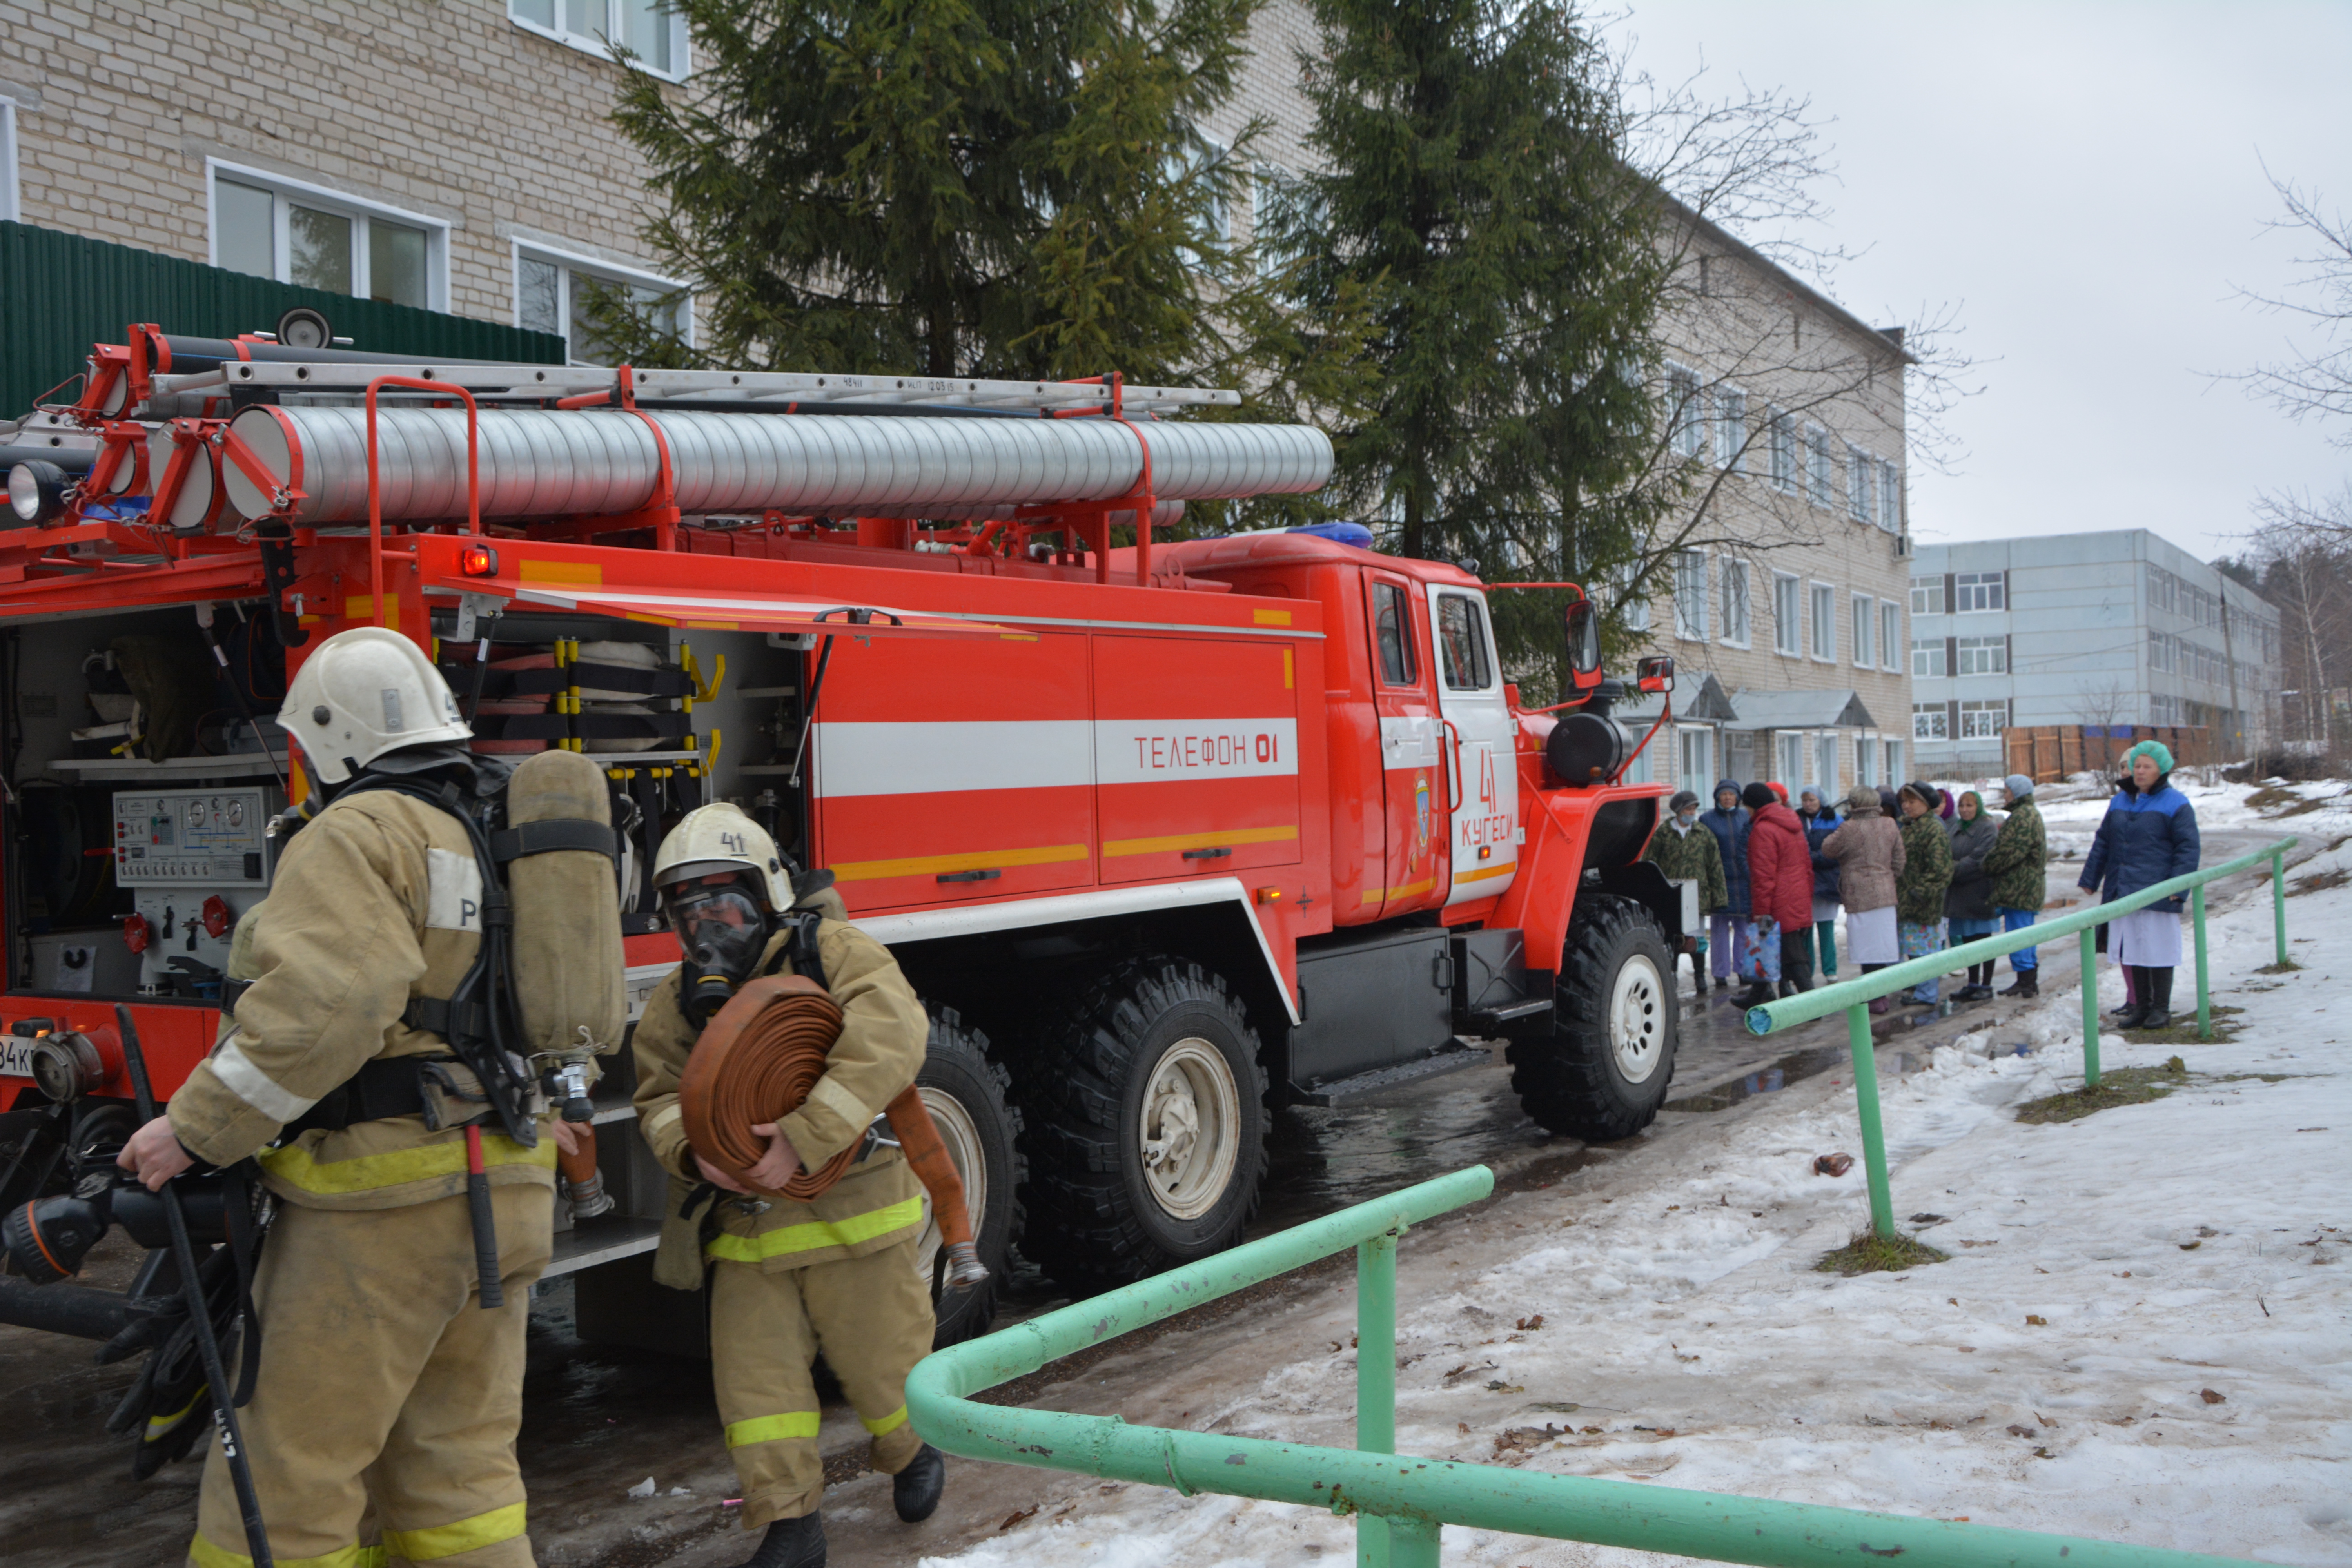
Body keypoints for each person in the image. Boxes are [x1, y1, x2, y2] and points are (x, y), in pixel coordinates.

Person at [116, 627, 593, 1568]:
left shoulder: (356, 833)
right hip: (502, 1189)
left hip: (380, 1210)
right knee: (461, 1476)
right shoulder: (487, 831)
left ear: (329, 739)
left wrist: (194, 1130)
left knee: (283, 1483)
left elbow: (333, 1002)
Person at [632, 803, 946, 1568]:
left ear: (768, 889)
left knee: (883, 1362)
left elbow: (894, 1032)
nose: (711, 921)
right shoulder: (679, 1001)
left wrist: (807, 1133)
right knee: (756, 1387)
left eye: (727, 898)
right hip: (744, 1224)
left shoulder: (829, 950)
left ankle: (913, 1452)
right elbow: (659, 1094)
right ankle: (789, 1519)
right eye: (691, 905)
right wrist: (691, 1151)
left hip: (854, 1211)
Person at [2080, 741, 2201, 1029]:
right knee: (2133, 949)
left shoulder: (2176, 803)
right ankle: (2141, 1007)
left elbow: (2188, 848)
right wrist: (2091, 878)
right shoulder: (2120, 801)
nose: (2140, 771)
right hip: (2124, 890)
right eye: (2137, 766)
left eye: (2147, 766)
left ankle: (2161, 1008)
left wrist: (2178, 886)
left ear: (2162, 770)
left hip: (2158, 891)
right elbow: (2104, 842)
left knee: (2158, 950)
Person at [1824, 786, 1905, 1014]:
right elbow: (1900, 859)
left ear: (1854, 804)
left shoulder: (1849, 828)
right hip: (1886, 894)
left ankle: (1872, 997)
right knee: (1882, 948)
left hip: (1859, 894)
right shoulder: (1889, 824)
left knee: (1867, 950)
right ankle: (1882, 996)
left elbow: (1828, 849)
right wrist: (1888, 877)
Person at [1643, 791, 1727, 996]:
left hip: (1697, 895)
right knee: (1673, 937)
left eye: (1694, 809)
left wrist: (1720, 897)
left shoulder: (1703, 834)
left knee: (1696, 938)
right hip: (1672, 895)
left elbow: (1715, 866)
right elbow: (1651, 864)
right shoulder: (1663, 834)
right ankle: (1671, 976)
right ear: (1679, 811)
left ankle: (1699, 975)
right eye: (1689, 809)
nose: (1692, 813)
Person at [1740, 781, 1814, 1004]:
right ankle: (1757, 995)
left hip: (1779, 901)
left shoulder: (1763, 830)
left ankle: (1814, 1003)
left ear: (1754, 806)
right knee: (1770, 950)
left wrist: (1761, 913)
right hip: (1796, 896)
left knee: (1793, 955)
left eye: (1747, 807)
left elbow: (1763, 877)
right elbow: (1807, 866)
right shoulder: (1793, 824)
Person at [1982, 773, 2049, 996]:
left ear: (2017, 793)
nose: (2005, 795)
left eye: (2007, 790)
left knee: (2019, 935)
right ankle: (2027, 980)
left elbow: (2009, 853)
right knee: (2025, 935)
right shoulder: (2028, 814)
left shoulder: (2022, 817)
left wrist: (1987, 865)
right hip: (2024, 888)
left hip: (2019, 889)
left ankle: (2026, 981)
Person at [1895, 781, 1954, 1007]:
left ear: (1926, 804)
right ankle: (1921, 989)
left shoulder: (1933, 829)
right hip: (1907, 900)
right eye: (1904, 801)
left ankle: (1928, 994)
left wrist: (1919, 893)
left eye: (1912, 802)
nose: (1906, 806)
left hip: (1923, 902)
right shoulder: (1910, 826)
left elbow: (1942, 871)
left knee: (1925, 949)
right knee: (1915, 949)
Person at [1944, 789, 2000, 1000]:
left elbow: (1980, 859)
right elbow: (1945, 854)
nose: (1965, 810)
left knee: (1983, 940)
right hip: (1959, 893)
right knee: (1968, 940)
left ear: (1978, 807)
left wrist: (1954, 870)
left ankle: (1986, 986)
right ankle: (1973, 982)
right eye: (1962, 806)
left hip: (1980, 892)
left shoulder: (1987, 828)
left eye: (1970, 806)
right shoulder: (1956, 828)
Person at [1698, 779, 1752, 992]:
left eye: (1731, 794)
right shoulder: (1707, 819)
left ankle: (1743, 970)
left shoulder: (1746, 817)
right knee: (1719, 930)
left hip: (1743, 880)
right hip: (1719, 881)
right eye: (1724, 794)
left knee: (1743, 929)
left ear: (1738, 798)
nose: (1728, 798)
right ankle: (1720, 974)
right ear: (1717, 797)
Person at [1797, 788, 1842, 982]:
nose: (1808, 804)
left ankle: (1830, 970)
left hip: (1827, 882)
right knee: (1805, 929)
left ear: (1821, 801)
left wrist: (1813, 858)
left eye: (1812, 800)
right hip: (1804, 882)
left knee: (1826, 928)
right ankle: (1807, 969)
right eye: (1805, 800)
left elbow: (1839, 849)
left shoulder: (1834, 819)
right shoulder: (1797, 819)